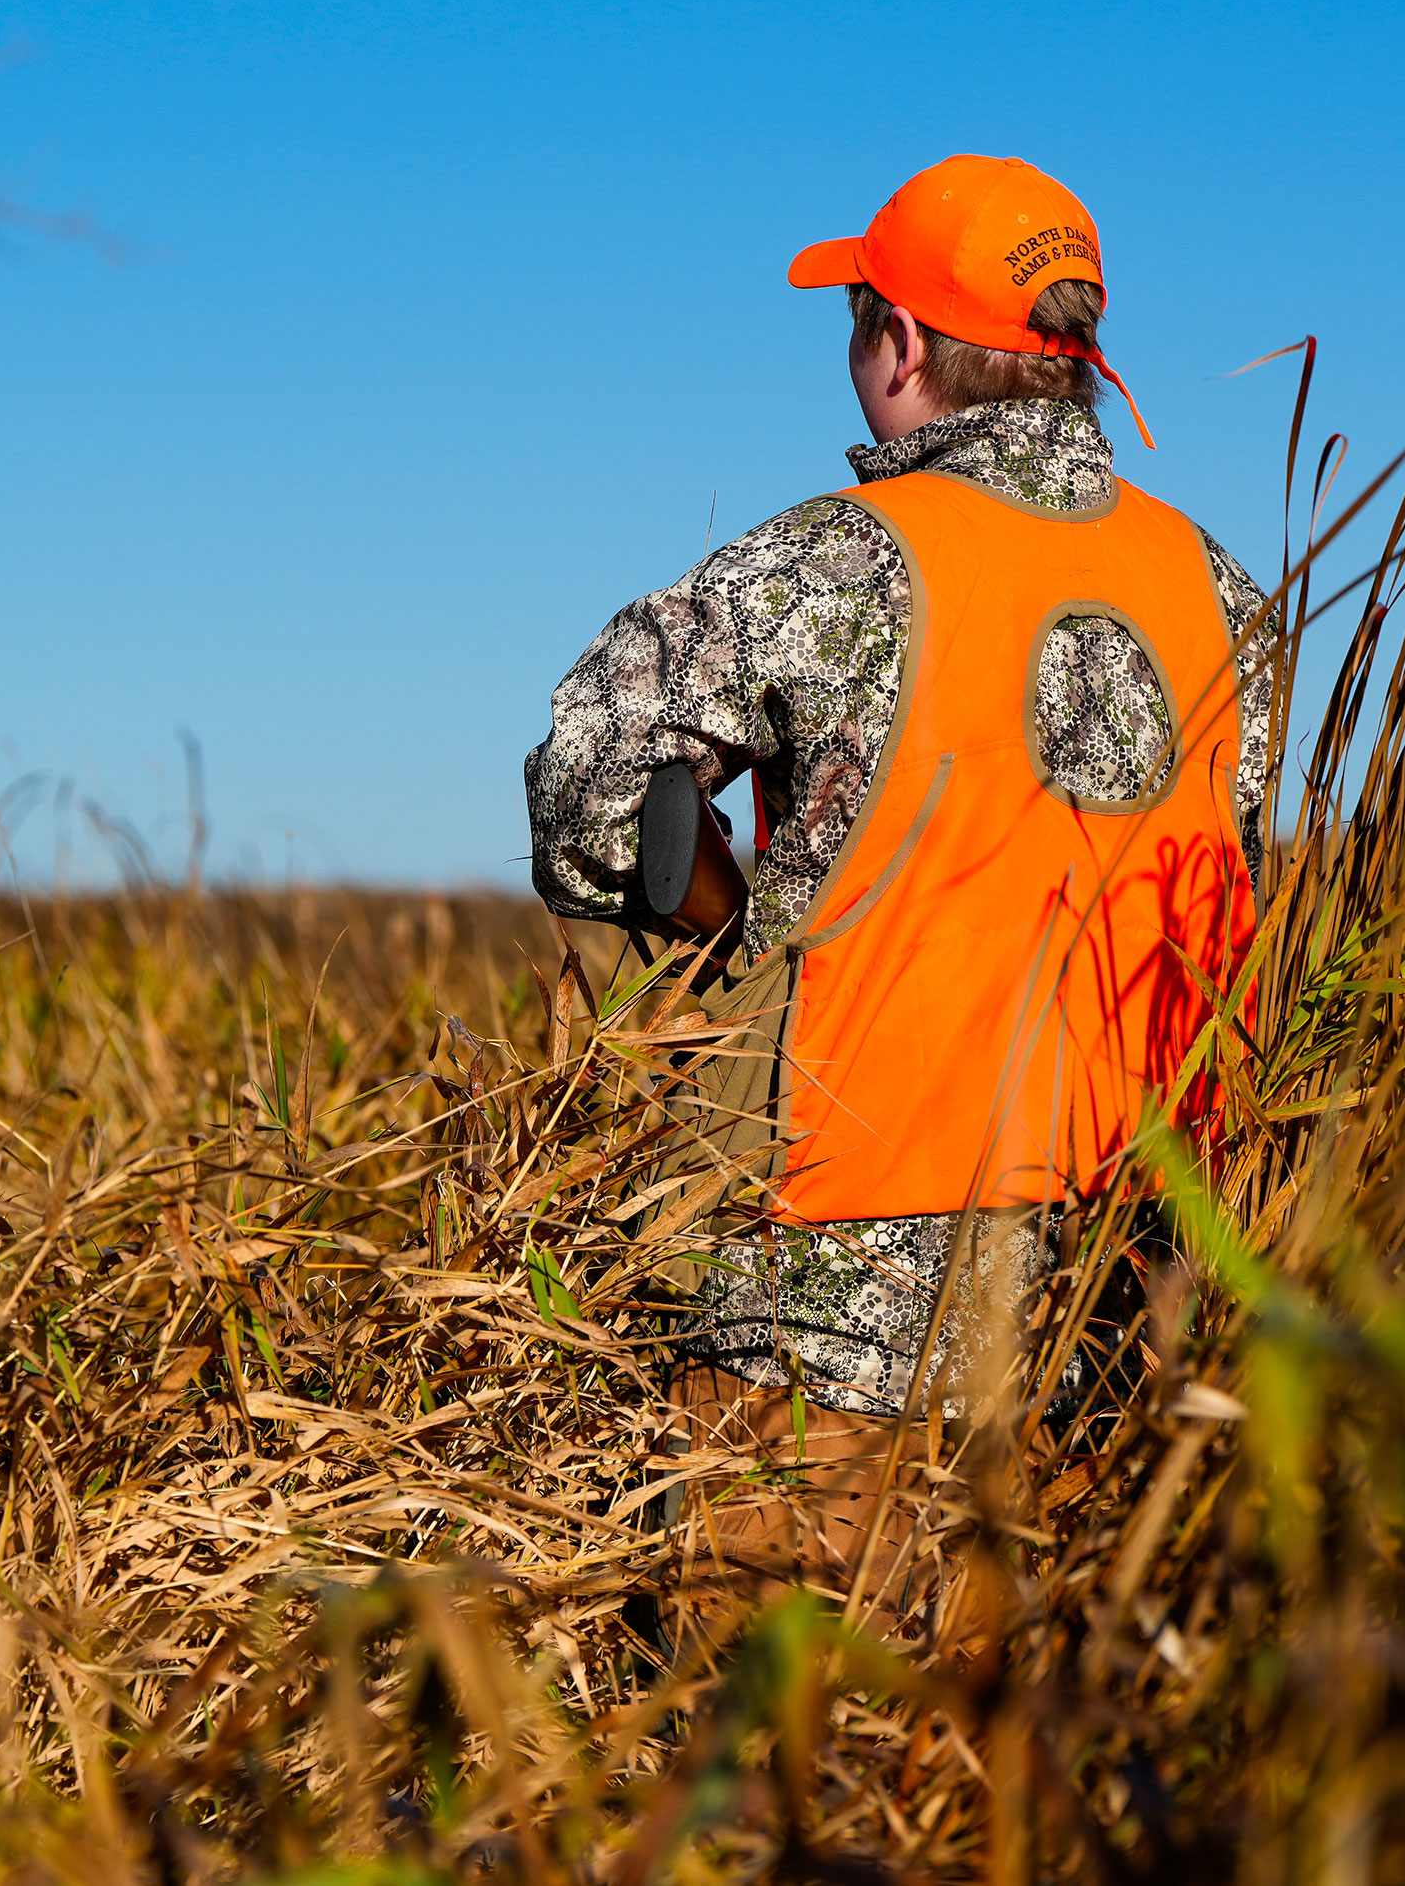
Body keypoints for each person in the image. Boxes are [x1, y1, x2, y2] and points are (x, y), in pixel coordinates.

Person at [525, 157, 1273, 1595]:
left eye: (858, 320)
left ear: (904, 346)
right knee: (1046, 1776)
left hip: (830, 1279)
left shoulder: (831, 564)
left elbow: (585, 781)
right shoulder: (1220, 590)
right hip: (1138, 1293)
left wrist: (724, 939)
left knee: (781, 1766)